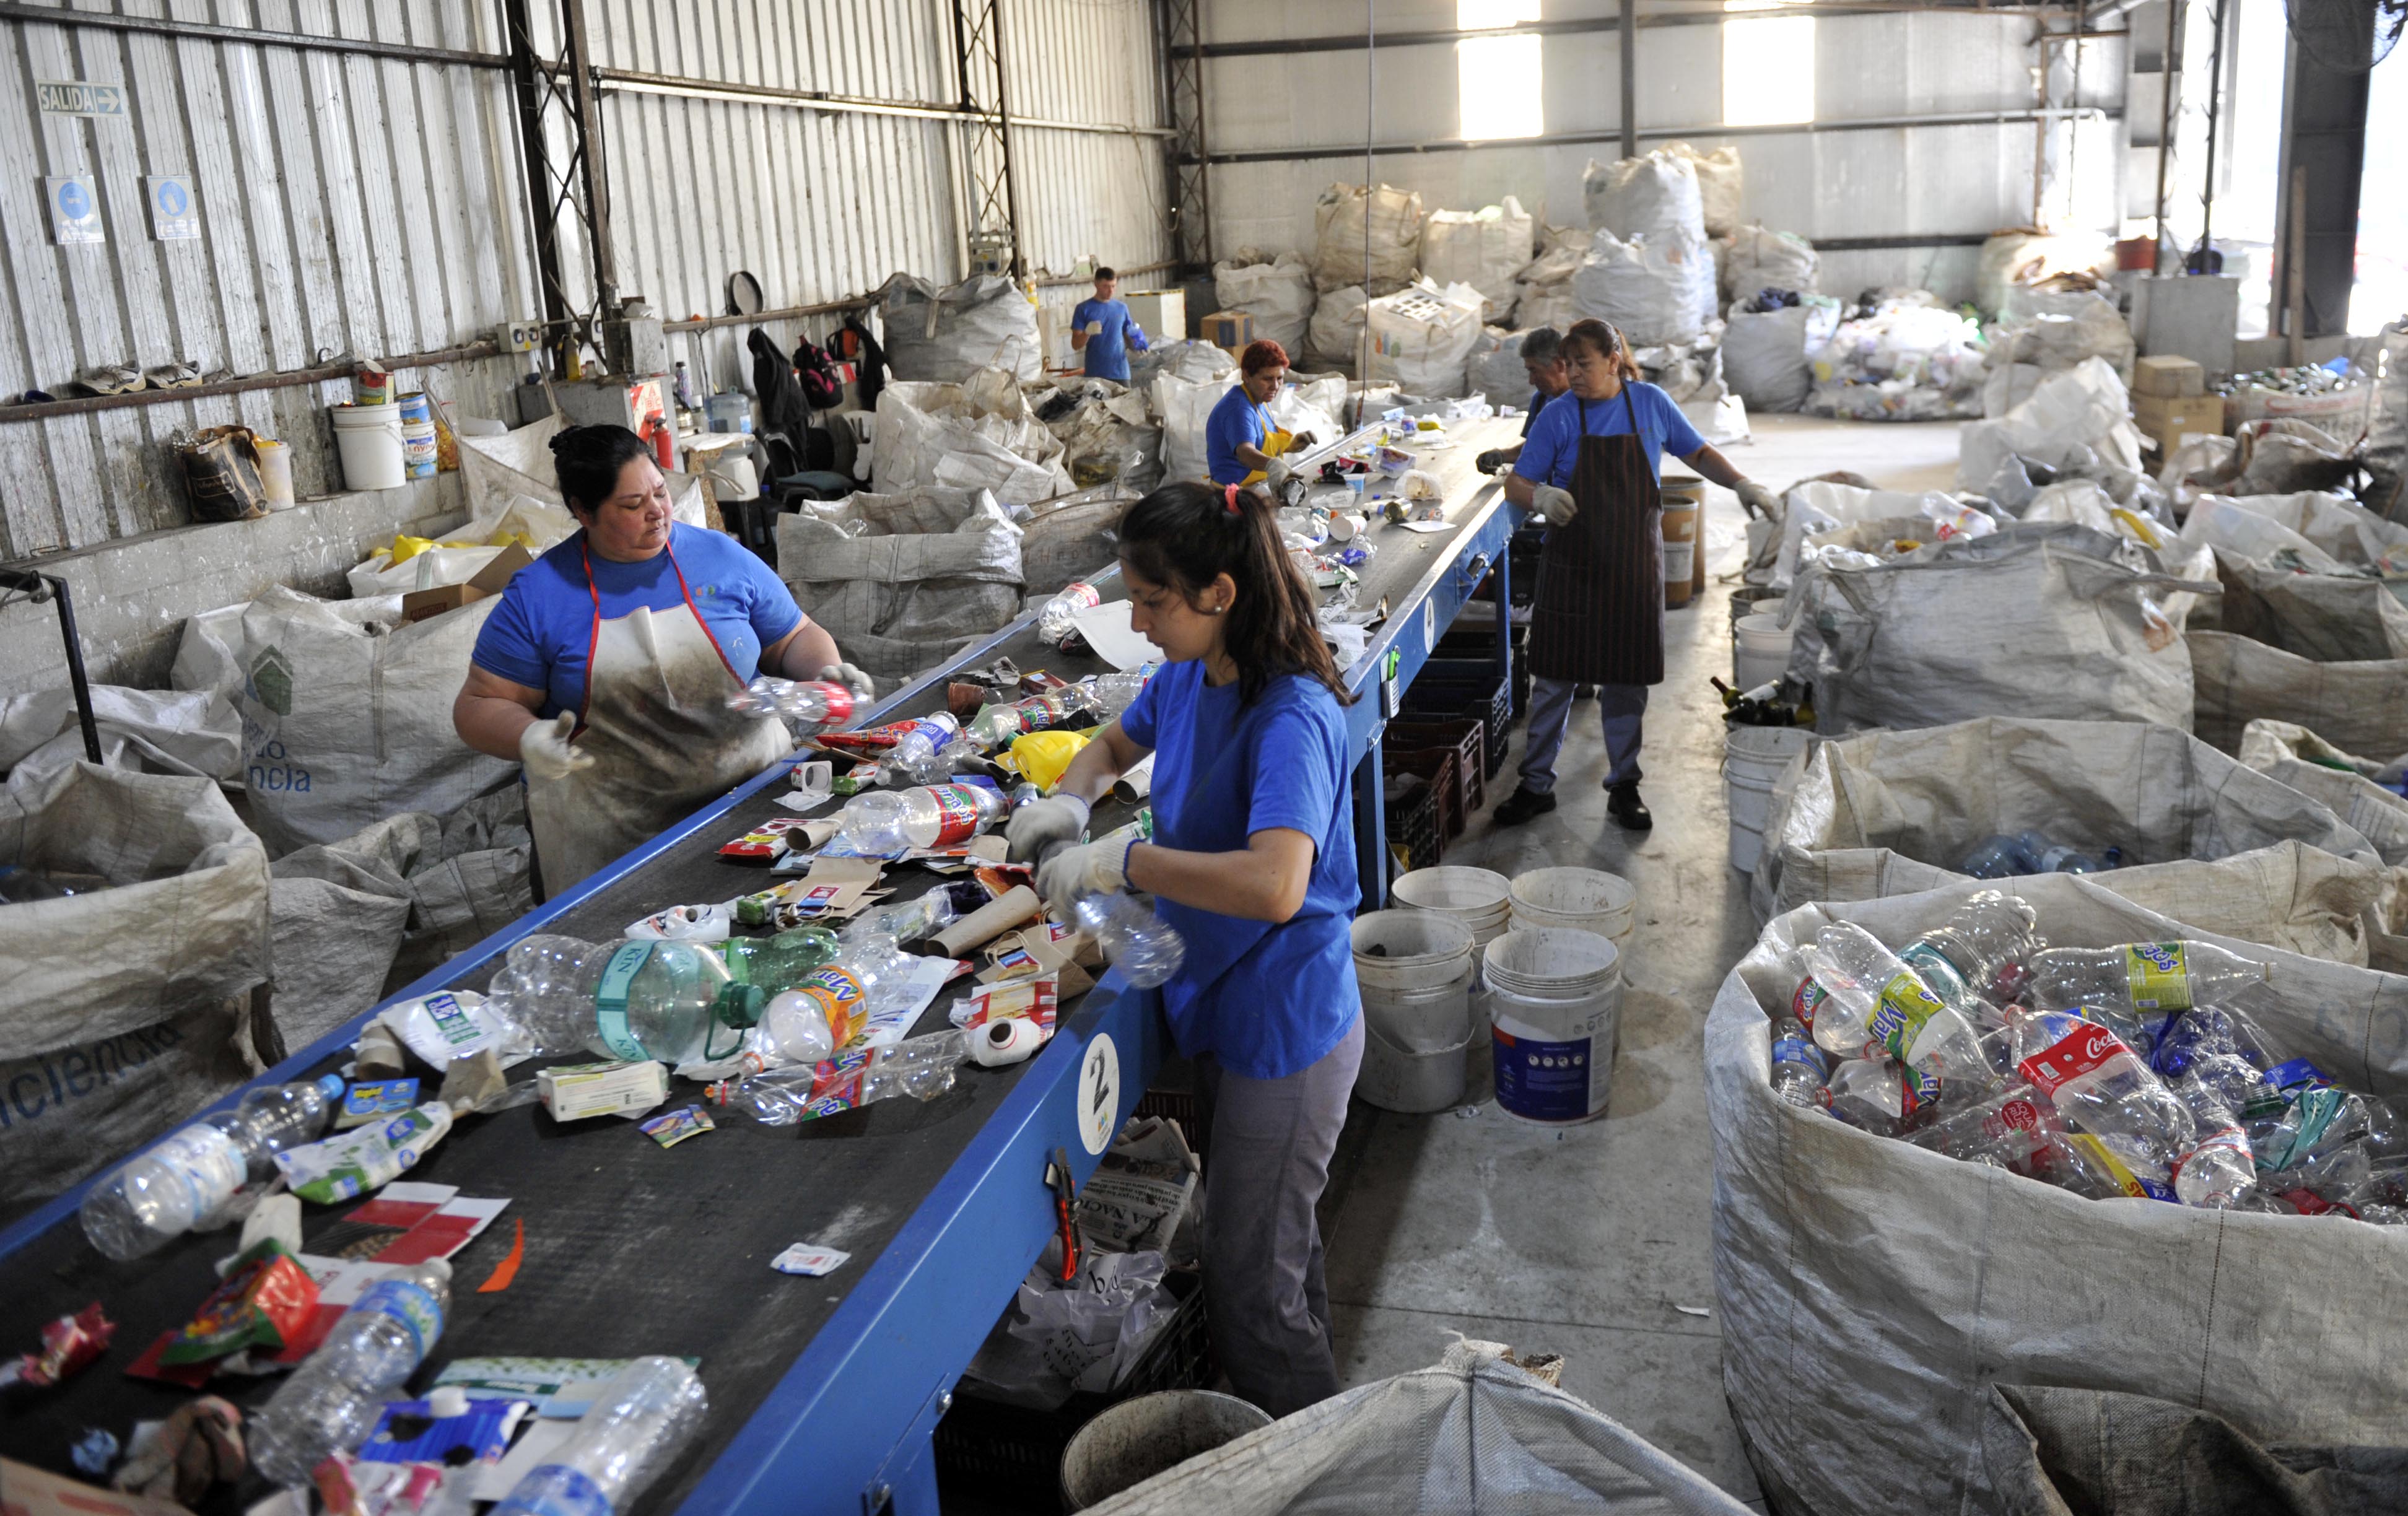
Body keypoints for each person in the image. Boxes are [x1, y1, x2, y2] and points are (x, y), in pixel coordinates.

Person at [1006, 480, 1363, 1418]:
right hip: (1221, 999)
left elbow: (1277, 885)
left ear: (1220, 594)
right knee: (1273, 1255)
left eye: (1154, 601)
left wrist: (1129, 859)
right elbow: (1115, 744)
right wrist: (1073, 802)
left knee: (1253, 1295)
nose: (1138, 620)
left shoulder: (1292, 714)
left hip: (1284, 1030)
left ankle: (1319, 1474)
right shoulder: (1193, 675)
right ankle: (1319, 1426)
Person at [452, 425, 872, 895]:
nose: (657, 513)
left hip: (752, 805)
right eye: (632, 505)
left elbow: (793, 636)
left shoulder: (718, 556)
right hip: (616, 840)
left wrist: (824, 673)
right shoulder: (540, 595)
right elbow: (480, 704)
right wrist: (528, 737)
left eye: (660, 493)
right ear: (582, 511)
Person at [1494, 318, 1779, 832]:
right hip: (1572, 565)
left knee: (1626, 681)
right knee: (1555, 679)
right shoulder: (1558, 416)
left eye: (1584, 364)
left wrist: (1743, 483)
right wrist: (1540, 496)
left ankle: (1624, 785)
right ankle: (1536, 785)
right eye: (1569, 365)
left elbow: (1697, 452)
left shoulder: (1649, 403)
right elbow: (1518, 482)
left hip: (1631, 565)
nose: (1574, 374)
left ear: (1613, 359)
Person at [1205, 339, 1315, 487]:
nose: (1275, 386)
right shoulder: (1239, 409)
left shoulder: (1259, 400)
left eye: (1280, 378)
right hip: (1234, 497)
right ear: (1246, 377)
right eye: (1268, 379)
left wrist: (1290, 446)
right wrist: (1272, 465)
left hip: (1257, 488)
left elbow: (1261, 440)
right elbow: (1245, 452)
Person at [1473, 326, 1572, 476]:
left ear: (1559, 365)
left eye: (1534, 370)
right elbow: (1537, 446)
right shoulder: (1541, 400)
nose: (1531, 381)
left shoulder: (1585, 404)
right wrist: (1503, 455)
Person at [1070, 266, 1150, 383]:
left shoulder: (1122, 308)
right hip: (1095, 374)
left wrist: (1137, 348)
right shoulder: (1083, 309)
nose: (1111, 291)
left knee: (1127, 401)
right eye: (1106, 286)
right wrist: (1087, 333)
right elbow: (1076, 345)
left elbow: (1127, 335)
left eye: (1113, 286)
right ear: (1096, 284)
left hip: (1120, 372)